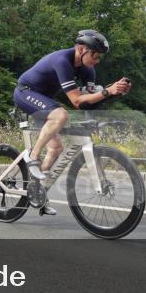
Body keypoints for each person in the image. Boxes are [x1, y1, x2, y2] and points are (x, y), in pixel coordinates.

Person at [13, 30, 131, 216]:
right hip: (25, 92)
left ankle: (37, 191)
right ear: (82, 49)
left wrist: (114, 93)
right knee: (61, 115)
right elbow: (76, 100)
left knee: (56, 148)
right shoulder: (62, 61)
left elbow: (86, 103)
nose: (97, 60)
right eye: (95, 55)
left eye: (99, 57)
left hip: (45, 100)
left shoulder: (88, 69)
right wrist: (108, 91)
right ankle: (32, 157)